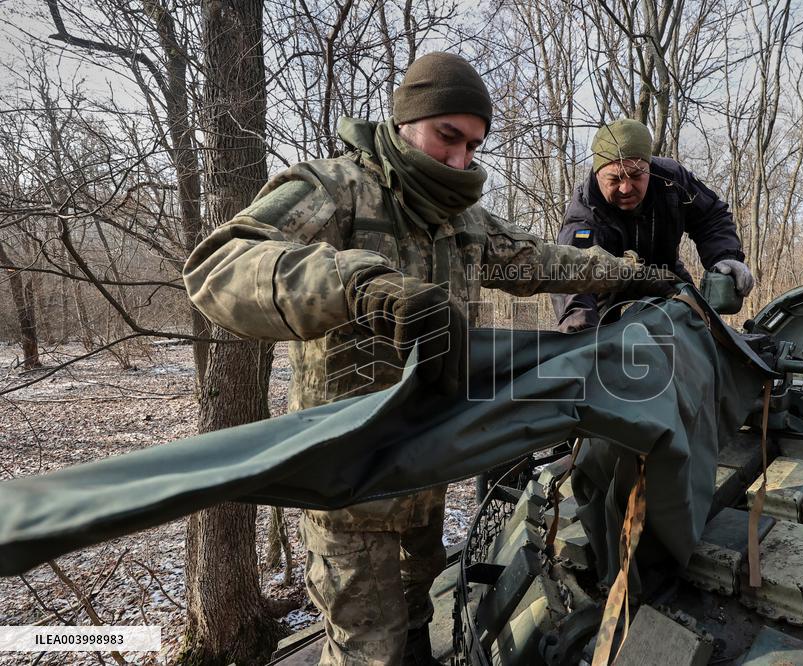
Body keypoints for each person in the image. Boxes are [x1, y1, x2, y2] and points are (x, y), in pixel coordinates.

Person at [183, 53, 680, 666]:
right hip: (351, 479)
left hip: (425, 466)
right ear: (406, 118)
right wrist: (360, 286)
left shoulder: (461, 219)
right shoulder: (334, 189)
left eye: (473, 145)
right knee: (370, 651)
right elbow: (221, 266)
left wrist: (638, 279)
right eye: (448, 136)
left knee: (421, 621)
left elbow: (547, 262)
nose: (459, 160)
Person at [552, 118, 753, 333]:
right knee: (598, 342)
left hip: (665, 274)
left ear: (650, 167)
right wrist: (580, 338)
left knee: (698, 329)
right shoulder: (584, 213)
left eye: (637, 175)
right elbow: (575, 281)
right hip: (605, 287)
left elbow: (710, 217)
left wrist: (726, 256)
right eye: (615, 179)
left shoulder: (671, 180)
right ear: (597, 173)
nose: (626, 188)